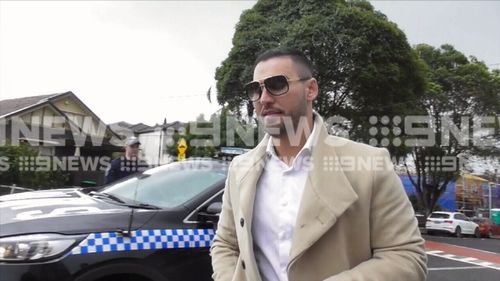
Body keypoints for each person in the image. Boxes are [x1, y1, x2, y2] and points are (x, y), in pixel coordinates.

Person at [210, 48, 427, 281]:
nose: (264, 99)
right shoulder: (241, 169)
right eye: (256, 89)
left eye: (277, 84)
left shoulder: (369, 165)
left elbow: (406, 256)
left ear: (310, 89)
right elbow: (226, 244)